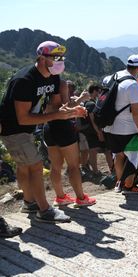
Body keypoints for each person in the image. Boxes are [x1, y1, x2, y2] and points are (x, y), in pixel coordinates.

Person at [0, 41, 86, 223]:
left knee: (25, 166)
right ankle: (44, 210)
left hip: (28, 129)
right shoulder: (24, 80)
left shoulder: (53, 78)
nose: (60, 61)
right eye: (55, 57)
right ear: (41, 57)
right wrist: (58, 115)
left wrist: (71, 111)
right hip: (13, 129)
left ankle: (29, 203)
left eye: (61, 57)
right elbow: (22, 118)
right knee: (36, 165)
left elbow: (53, 108)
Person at [43, 77, 96, 207]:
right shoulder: (60, 83)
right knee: (73, 165)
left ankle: (60, 197)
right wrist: (81, 101)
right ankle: (81, 198)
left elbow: (53, 107)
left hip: (48, 125)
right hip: (62, 126)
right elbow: (65, 107)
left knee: (55, 166)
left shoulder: (41, 84)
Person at [103, 54, 138, 194]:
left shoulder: (114, 76)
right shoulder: (133, 85)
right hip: (127, 128)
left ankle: (118, 183)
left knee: (119, 155)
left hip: (109, 126)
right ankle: (128, 186)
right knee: (133, 156)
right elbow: (136, 112)